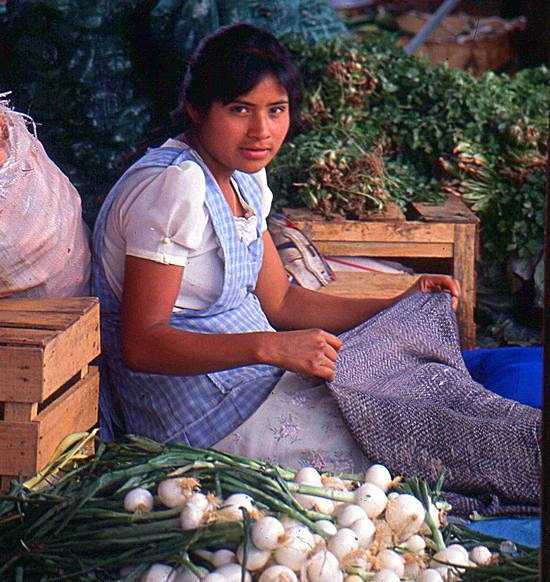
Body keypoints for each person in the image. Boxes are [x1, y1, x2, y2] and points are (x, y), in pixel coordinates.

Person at [92, 23, 460, 471]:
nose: (261, 131)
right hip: (198, 418)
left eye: (277, 109)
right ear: (196, 109)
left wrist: (398, 302)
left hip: (255, 382)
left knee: (428, 413)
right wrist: (268, 347)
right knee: (408, 458)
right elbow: (142, 344)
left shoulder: (242, 179)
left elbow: (283, 301)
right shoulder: (173, 187)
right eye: (240, 109)